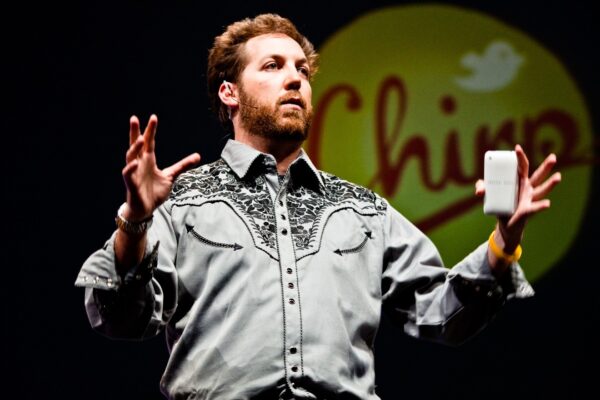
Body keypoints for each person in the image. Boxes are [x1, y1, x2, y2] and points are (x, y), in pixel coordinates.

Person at [75, 13, 561, 400]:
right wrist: (135, 220)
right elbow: (120, 317)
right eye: (273, 66)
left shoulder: (363, 209)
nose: (294, 80)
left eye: (302, 71)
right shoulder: (182, 198)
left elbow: (442, 314)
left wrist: (504, 244)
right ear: (230, 92)